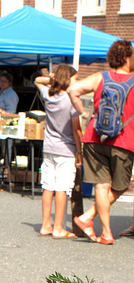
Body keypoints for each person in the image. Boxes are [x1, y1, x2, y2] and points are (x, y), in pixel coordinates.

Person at [68, 39, 134, 245]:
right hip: (124, 139)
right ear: (126, 58)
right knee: (121, 186)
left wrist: (84, 112)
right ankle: (88, 218)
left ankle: (105, 232)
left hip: (94, 137)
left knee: (101, 186)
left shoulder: (100, 77)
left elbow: (73, 91)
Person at [35, 65, 83, 239]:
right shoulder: (71, 100)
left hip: (49, 146)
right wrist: (79, 151)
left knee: (48, 186)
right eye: (75, 78)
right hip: (66, 148)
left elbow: (37, 80)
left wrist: (53, 79)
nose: (76, 82)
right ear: (68, 79)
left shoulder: (49, 95)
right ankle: (58, 228)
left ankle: (45, 225)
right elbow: (76, 129)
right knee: (62, 188)